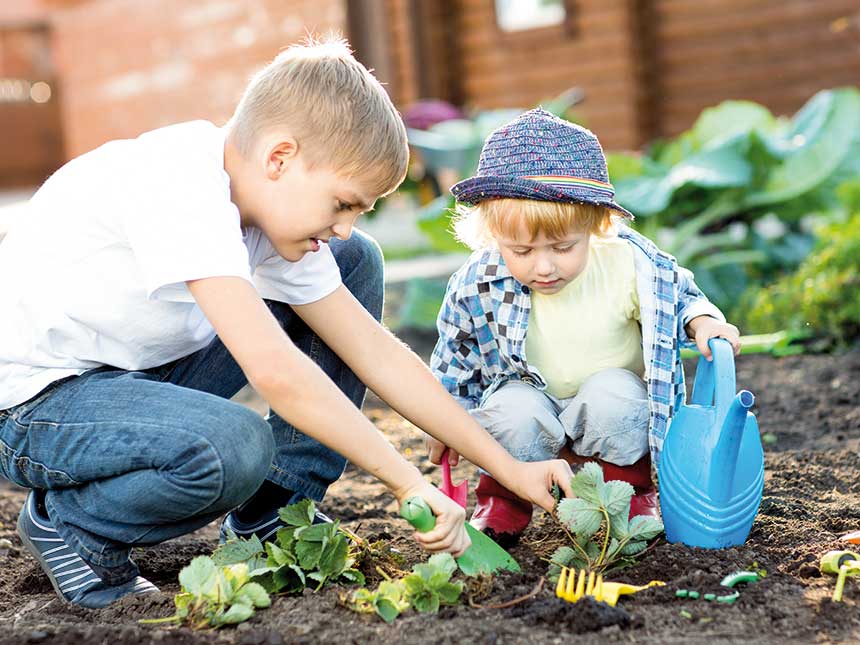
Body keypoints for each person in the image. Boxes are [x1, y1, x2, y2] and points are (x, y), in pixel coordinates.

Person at [0, 39, 574, 609]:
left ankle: (275, 513)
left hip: (131, 382)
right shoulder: (178, 186)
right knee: (231, 447)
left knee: (355, 263)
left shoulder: (264, 207)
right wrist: (408, 484)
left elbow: (374, 352)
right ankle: (76, 528)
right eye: (343, 204)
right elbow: (277, 374)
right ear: (280, 158)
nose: (344, 226)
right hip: (37, 409)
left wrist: (508, 467)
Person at [429, 107, 741, 546]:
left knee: (616, 395)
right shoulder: (477, 280)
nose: (543, 266)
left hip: (607, 406)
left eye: (562, 247)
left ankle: (626, 494)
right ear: (492, 237)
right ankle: (504, 500)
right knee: (507, 413)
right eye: (521, 251)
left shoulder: (630, 263)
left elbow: (682, 295)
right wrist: (445, 420)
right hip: (530, 397)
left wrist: (704, 322)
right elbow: (455, 357)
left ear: (596, 223)